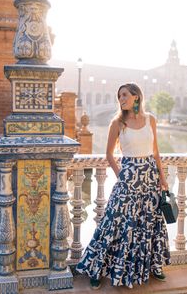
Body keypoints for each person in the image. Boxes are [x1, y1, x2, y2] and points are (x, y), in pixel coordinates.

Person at [76, 83, 171, 289]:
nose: (121, 99)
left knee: (148, 223)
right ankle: (97, 269)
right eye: (119, 96)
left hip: (150, 178)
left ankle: (153, 266)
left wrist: (162, 178)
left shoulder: (150, 120)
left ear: (136, 97)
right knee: (114, 222)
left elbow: (155, 152)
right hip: (128, 177)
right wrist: (122, 177)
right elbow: (109, 155)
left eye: (125, 95)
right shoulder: (117, 123)